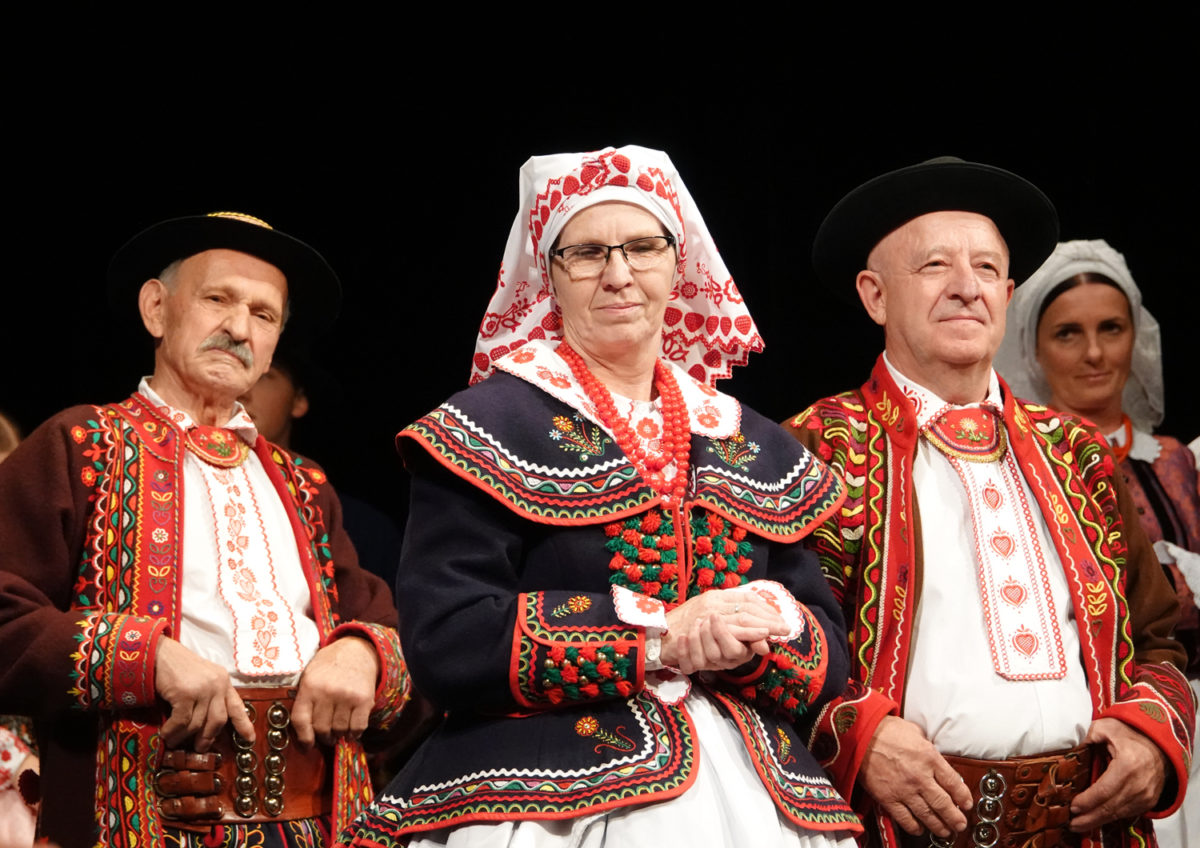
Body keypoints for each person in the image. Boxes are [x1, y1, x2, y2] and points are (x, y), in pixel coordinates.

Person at [342, 146, 862, 847]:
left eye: (643, 248)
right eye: (587, 253)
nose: (619, 274)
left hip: (753, 788)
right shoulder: (487, 429)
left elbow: (827, 656)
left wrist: (754, 634)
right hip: (541, 793)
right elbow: (449, 637)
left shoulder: (750, 441)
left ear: (678, 264)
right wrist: (660, 637)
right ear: (549, 276)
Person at [783, 158, 1194, 848]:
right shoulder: (814, 448)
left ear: (1007, 294)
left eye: (985, 269)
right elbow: (774, 652)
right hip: (901, 831)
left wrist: (1153, 736)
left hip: (1090, 830)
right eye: (934, 266)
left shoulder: (1078, 452)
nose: (965, 288)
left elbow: (1158, 636)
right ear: (875, 296)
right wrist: (859, 737)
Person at [0, 212, 410, 847]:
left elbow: (387, 628)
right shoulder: (81, 444)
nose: (239, 328)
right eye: (218, 299)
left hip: (320, 827)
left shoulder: (304, 484)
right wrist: (147, 656)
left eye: (264, 315)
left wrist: (362, 653)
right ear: (156, 309)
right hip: (139, 823)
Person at [995, 238, 1200, 847]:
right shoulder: (1014, 473)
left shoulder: (1182, 464)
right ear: (1032, 348)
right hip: (1092, 739)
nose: (1094, 353)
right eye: (1067, 333)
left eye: (1111, 328)